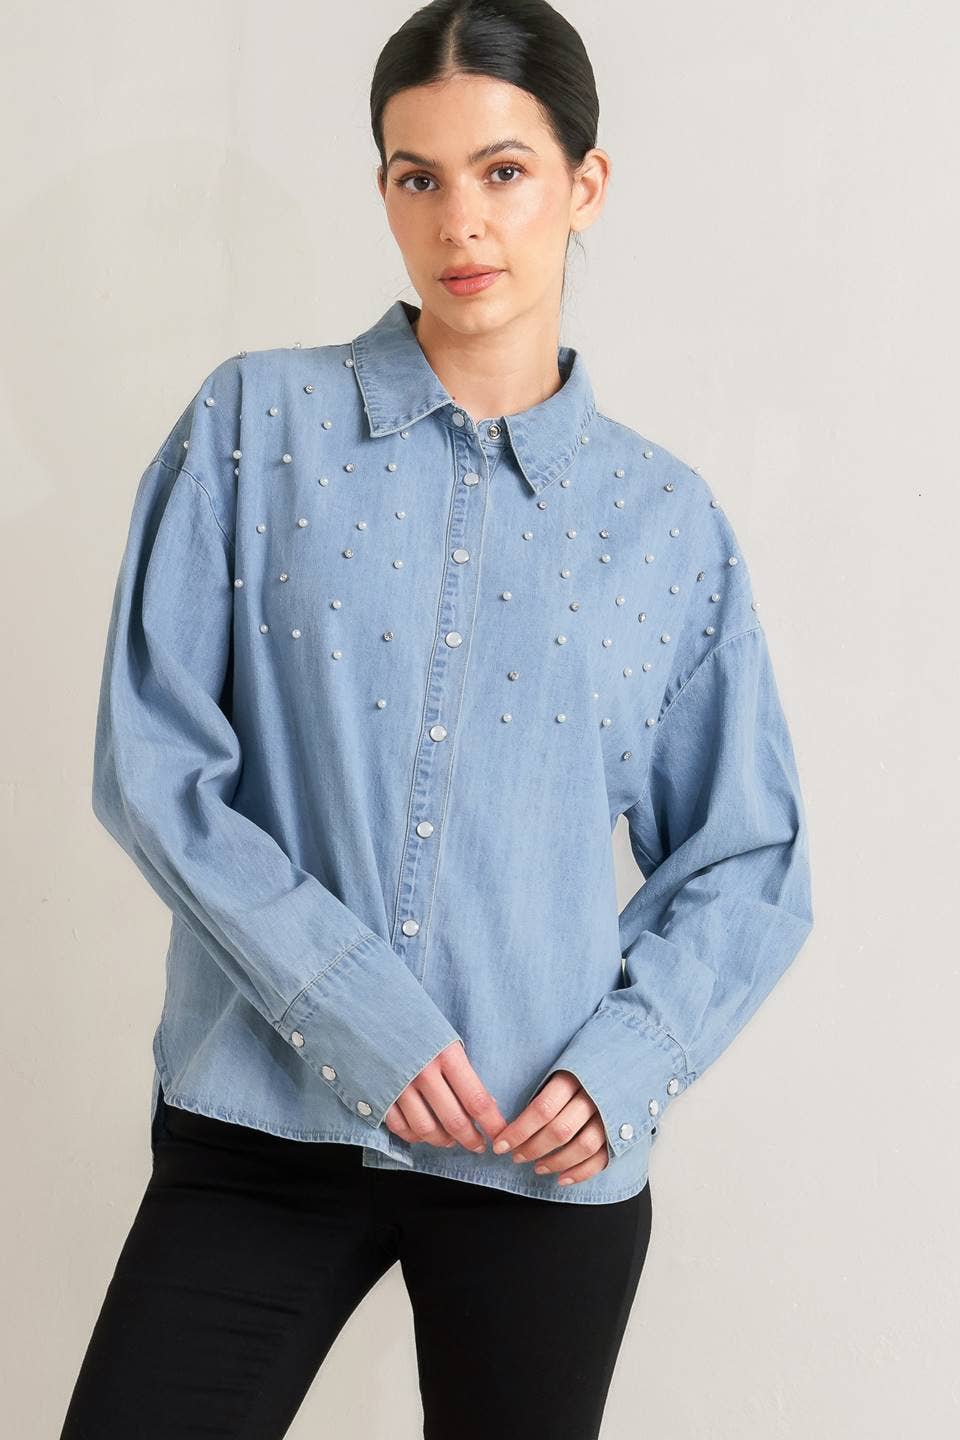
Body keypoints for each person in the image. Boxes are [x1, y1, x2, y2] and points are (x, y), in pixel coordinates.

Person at [59, 2, 814, 1436]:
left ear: (585, 185)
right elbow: (154, 765)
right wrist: (355, 1008)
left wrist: (632, 1059)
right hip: (263, 1121)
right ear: (386, 190)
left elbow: (750, 855)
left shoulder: (667, 523)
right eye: (420, 176)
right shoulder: (253, 425)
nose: (461, 221)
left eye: (504, 171)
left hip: (540, 1153)